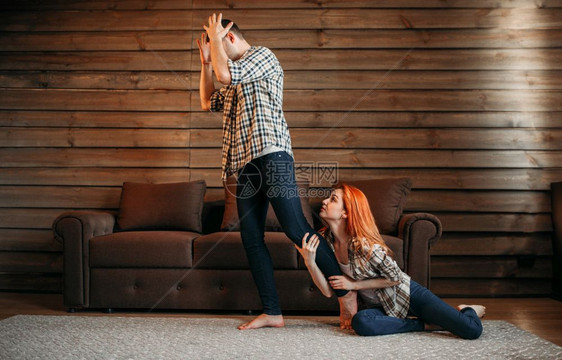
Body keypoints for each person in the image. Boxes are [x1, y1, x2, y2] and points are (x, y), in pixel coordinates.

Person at [197, 13, 357, 330]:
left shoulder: (262, 57)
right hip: (245, 165)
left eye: (218, 45)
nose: (215, 55)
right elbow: (206, 101)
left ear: (229, 38)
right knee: (251, 238)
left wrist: (215, 44)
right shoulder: (232, 75)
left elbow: (225, 75)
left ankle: (347, 297)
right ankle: (273, 312)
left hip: (273, 156)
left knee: (296, 228)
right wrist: (205, 63)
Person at [296, 183, 486, 339]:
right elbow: (329, 291)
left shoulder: (365, 245)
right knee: (361, 323)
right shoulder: (326, 243)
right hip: (379, 307)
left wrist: (354, 285)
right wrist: (309, 261)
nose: (324, 201)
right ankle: (425, 324)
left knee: (471, 330)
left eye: (333, 199)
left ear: (346, 212)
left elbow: (395, 278)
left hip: (408, 294)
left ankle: (467, 309)